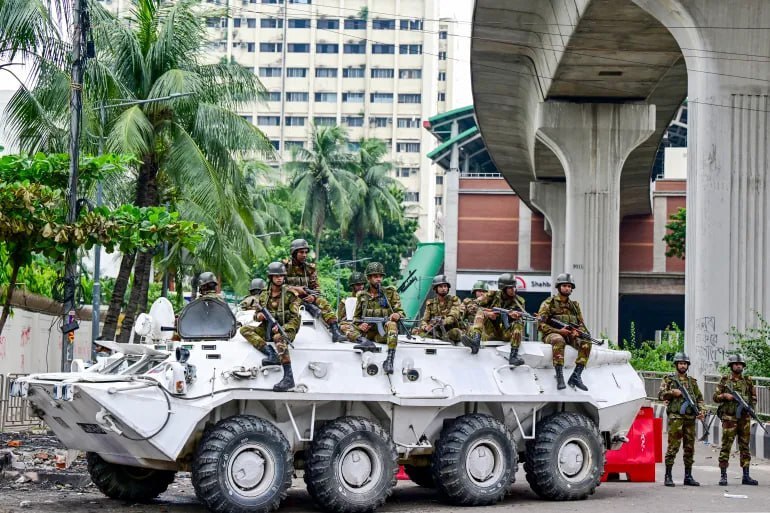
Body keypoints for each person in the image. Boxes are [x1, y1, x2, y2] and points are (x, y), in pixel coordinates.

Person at [239, 262, 300, 392]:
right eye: (276, 276)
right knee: (244, 330)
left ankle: (289, 377)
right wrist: (259, 316)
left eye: (281, 276)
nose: (279, 278)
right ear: (271, 277)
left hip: (286, 329)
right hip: (267, 327)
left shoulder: (290, 294)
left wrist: (285, 327)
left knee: (279, 337)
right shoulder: (263, 295)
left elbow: (296, 318)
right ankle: (271, 353)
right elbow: (256, 315)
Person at [536, 273, 591, 390]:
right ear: (559, 287)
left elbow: (581, 324)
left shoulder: (575, 306)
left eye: (569, 286)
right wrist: (559, 331)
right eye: (565, 285)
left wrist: (578, 332)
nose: (567, 288)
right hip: (552, 334)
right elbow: (540, 324)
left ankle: (576, 376)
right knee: (558, 340)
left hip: (570, 335)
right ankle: (559, 376)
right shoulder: (549, 303)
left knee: (586, 341)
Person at [284, 239, 346, 342]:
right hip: (289, 299)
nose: (304, 255)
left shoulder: (310, 269)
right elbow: (277, 286)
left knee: (323, 302)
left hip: (307, 298)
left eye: (305, 252)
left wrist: (313, 297)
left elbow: (316, 288)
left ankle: (335, 331)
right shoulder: (284, 268)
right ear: (294, 253)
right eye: (301, 252)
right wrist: (295, 289)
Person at [349, 262, 405, 374]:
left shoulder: (390, 293)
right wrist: (360, 325)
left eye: (380, 276)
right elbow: (356, 318)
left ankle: (389, 359)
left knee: (392, 325)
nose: (379, 279)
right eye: (375, 276)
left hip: (382, 334)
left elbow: (401, 312)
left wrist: (397, 315)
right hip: (367, 334)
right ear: (369, 278)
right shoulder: (362, 296)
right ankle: (364, 342)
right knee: (348, 330)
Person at [658, 352, 705, 487]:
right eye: (680, 363)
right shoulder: (669, 380)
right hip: (676, 417)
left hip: (690, 418)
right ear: (676, 365)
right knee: (673, 446)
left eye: (685, 364)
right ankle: (668, 475)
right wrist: (672, 393)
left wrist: (701, 411)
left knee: (689, 447)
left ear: (687, 366)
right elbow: (660, 395)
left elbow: (700, 399)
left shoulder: (692, 382)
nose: (683, 366)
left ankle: (688, 476)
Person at [714, 354, 759, 486]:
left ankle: (746, 475)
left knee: (745, 447)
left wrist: (750, 407)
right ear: (731, 366)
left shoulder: (748, 381)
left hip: (744, 418)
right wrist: (724, 396)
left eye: (741, 364)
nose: (739, 366)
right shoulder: (725, 380)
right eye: (736, 364)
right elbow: (715, 397)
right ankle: (723, 475)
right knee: (726, 446)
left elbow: (753, 397)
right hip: (729, 418)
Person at [467, 273, 527, 365]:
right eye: (510, 288)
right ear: (503, 288)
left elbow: (522, 318)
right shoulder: (492, 295)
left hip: (506, 333)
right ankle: (475, 342)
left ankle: (513, 356)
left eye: (514, 287)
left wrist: (513, 317)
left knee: (518, 323)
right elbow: (471, 305)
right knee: (480, 312)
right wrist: (488, 313)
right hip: (490, 332)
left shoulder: (519, 301)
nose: (513, 290)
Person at [415, 275, 470, 347]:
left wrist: (442, 322)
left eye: (445, 286)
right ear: (435, 288)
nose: (443, 288)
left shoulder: (454, 300)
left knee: (456, 332)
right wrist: (426, 327)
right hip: (437, 332)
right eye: (440, 286)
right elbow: (424, 320)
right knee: (417, 331)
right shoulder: (430, 303)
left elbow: (453, 316)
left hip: (450, 330)